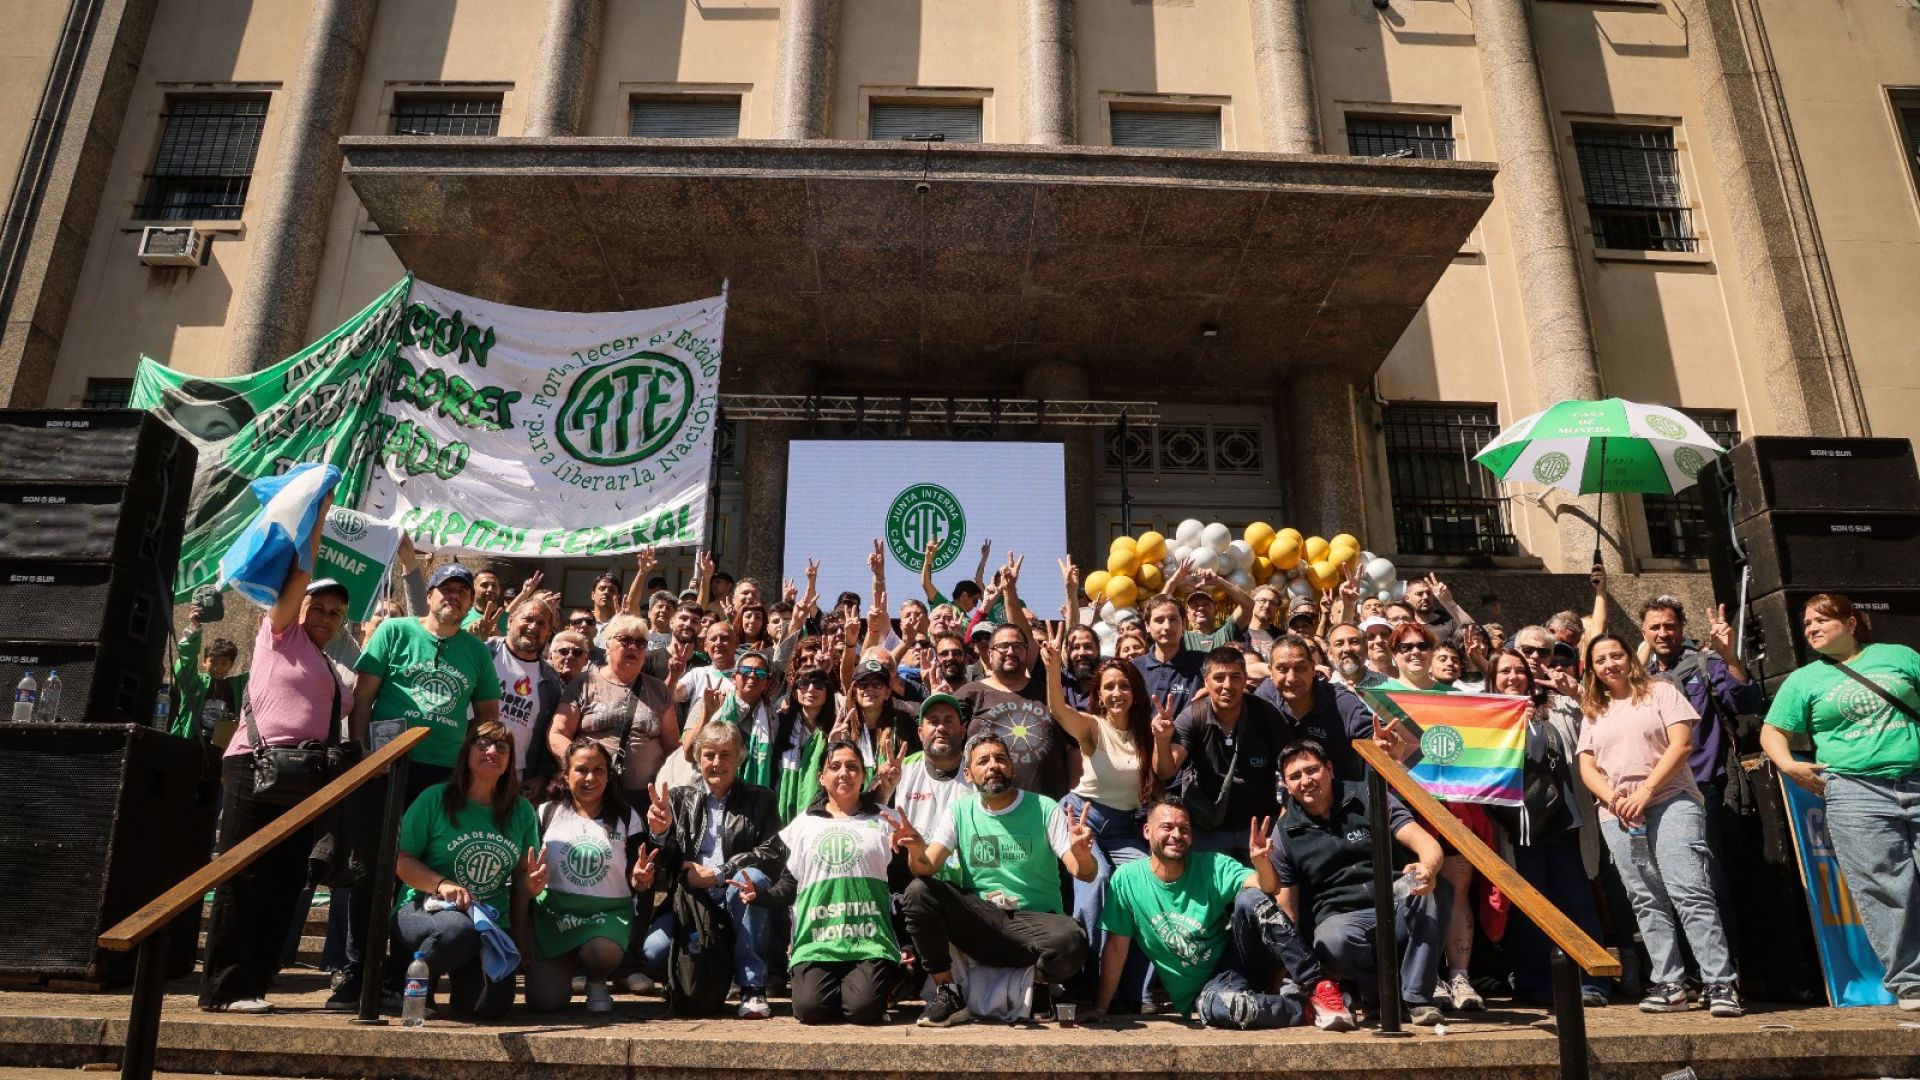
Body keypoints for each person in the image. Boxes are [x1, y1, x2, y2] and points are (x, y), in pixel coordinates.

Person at [198, 511, 350, 1013]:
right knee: (245, 876)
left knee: (285, 879)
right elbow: (300, 573)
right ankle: (225, 989)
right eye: (318, 607)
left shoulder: (329, 667)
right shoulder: (278, 635)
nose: (325, 616)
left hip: (303, 778)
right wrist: (318, 514)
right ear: (297, 607)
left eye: (335, 613)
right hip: (255, 765)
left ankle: (255, 984)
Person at [338, 562, 503, 1011]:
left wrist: (479, 773)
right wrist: (363, 756)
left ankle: (399, 977)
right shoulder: (394, 631)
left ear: (471, 603)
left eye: (462, 592)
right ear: (428, 594)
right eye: (444, 589)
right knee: (372, 871)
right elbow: (364, 698)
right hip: (387, 768)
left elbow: (489, 717)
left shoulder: (476, 651)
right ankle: (357, 973)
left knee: (417, 877)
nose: (453, 597)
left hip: (443, 778)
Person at [1762, 593, 1920, 1008]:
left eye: (1822, 620)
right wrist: (1789, 765)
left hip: (1917, 778)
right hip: (1855, 791)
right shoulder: (1803, 680)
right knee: (1885, 888)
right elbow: (1772, 732)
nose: (1811, 627)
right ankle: (1911, 981)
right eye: (1807, 623)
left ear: (1851, 623)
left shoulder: (1898, 656)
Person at [1576, 634, 1740, 1016]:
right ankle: (1671, 983)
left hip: (1671, 800)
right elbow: (1587, 765)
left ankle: (1720, 981)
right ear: (1594, 669)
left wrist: (1645, 791)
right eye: (1600, 660)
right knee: (1646, 898)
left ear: (1630, 658)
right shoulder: (1594, 709)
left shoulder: (1661, 691)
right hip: (1619, 813)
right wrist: (1616, 799)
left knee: (1689, 890)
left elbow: (1681, 745)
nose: (1609, 664)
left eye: (1616, 655)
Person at [893, 733, 1097, 1026]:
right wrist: (915, 849)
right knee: (918, 891)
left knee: (1071, 940)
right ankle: (947, 991)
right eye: (983, 761)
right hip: (983, 920)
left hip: (1034, 924)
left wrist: (1083, 853)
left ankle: (1039, 987)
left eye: (1001, 759)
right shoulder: (959, 812)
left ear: (1012, 769)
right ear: (968, 773)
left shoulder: (1044, 808)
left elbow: (1084, 872)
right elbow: (926, 868)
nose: (993, 766)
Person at [1083, 799, 1316, 1030]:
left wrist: (1261, 863)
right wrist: (1101, 1008)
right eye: (1167, 827)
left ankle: (1318, 986)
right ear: (1147, 831)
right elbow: (1116, 947)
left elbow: (1270, 887)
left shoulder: (1212, 865)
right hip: (1209, 992)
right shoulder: (1127, 879)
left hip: (1240, 960)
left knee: (1251, 897)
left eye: (1184, 829)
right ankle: (1304, 1009)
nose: (1176, 835)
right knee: (1228, 1008)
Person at [1269, 739, 1448, 1026]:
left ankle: (1417, 998)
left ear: (1329, 769)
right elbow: (1287, 910)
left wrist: (1426, 868)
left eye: (1312, 770)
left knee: (1431, 887)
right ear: (1286, 785)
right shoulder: (1284, 832)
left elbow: (1427, 844)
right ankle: (1376, 997)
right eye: (1295, 776)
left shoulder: (1370, 795)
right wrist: (1293, 974)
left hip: (1393, 894)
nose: (1306, 781)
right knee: (1331, 939)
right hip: (1340, 915)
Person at [390, 720, 545, 1022]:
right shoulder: (435, 799)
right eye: (482, 743)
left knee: (492, 1006)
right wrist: (442, 884)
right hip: (424, 910)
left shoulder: (521, 811)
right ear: (466, 751)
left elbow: (522, 881)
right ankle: (411, 982)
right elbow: (402, 860)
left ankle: (463, 982)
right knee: (456, 930)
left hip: (487, 924)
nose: (492, 751)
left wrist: (532, 884)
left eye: (502, 747)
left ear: (511, 760)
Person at [1487, 650, 1610, 1007]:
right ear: (1492, 680)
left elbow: (1553, 753)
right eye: (1503, 672)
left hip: (1560, 825)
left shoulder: (1549, 715)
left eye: (1518, 671)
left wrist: (1532, 720)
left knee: (1578, 904)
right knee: (1528, 909)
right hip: (1516, 831)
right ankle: (1534, 984)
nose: (1512, 677)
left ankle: (1594, 983)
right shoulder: (1482, 723)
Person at [639, 723, 787, 1019]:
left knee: (753, 878)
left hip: (735, 892)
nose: (716, 763)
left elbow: (772, 852)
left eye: (725, 755)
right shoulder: (679, 799)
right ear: (698, 758)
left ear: (739, 759)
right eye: (709, 755)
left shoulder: (761, 798)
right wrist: (659, 834)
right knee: (653, 950)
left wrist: (720, 872)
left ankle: (752, 987)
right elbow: (666, 861)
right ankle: (692, 979)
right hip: (693, 900)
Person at [1040, 633, 1159, 994]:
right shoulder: (1092, 726)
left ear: (1134, 691)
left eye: (1123, 685)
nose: (1117, 693)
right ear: (1100, 694)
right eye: (1109, 687)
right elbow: (1059, 710)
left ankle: (1134, 989)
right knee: (1097, 882)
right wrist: (1052, 669)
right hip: (1082, 819)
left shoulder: (1146, 733)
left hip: (1124, 827)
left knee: (1144, 885)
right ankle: (1082, 980)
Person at [753, 741, 904, 1024]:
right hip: (817, 941)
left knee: (863, 1012)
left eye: (852, 767)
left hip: (869, 939)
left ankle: (878, 985)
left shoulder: (886, 820)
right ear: (821, 777)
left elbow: (905, 882)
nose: (844, 773)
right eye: (834, 767)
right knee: (812, 1011)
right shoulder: (803, 824)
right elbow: (789, 884)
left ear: (863, 774)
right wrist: (761, 895)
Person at [527, 738, 651, 1013]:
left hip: (605, 916)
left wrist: (639, 880)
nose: (590, 778)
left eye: (599, 770)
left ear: (609, 776)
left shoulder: (627, 816)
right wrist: (530, 886)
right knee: (545, 1002)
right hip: (555, 916)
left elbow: (636, 873)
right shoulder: (547, 812)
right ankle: (564, 973)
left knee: (601, 951)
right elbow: (529, 868)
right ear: (566, 774)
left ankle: (597, 980)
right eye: (581, 769)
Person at [1160, 647, 1295, 855]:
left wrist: (1282, 823)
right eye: (1219, 678)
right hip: (1207, 828)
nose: (1227, 686)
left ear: (1245, 680)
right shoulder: (1193, 717)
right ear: (1206, 681)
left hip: (1259, 829)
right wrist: (1162, 740)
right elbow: (1166, 771)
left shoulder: (1266, 715)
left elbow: (1292, 767)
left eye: (1235, 677)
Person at [548, 613, 680, 812]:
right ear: (608, 644)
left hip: (643, 800)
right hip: (592, 795)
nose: (633, 647)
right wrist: (584, 767)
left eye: (640, 643)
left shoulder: (659, 690)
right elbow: (557, 734)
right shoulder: (584, 683)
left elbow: (671, 747)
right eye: (625, 640)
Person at [958, 622, 1066, 797]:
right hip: (989, 810)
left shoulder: (1050, 693)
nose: (1011, 651)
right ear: (989, 654)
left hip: (1047, 810)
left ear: (1026, 652)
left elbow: (1072, 749)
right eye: (1003, 646)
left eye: (1018, 646)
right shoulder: (968, 694)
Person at [1253, 634, 1374, 782]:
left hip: (1343, 799)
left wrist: (1385, 743)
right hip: (1287, 795)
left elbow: (1380, 738)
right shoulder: (1265, 696)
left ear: (1312, 667)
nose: (1291, 678)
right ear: (1271, 671)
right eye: (1282, 669)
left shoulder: (1341, 703)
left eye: (1300, 668)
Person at [891, 693, 975, 876]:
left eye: (949, 720)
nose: (941, 728)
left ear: (962, 731)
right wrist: (883, 787)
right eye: (934, 721)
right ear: (920, 733)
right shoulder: (901, 769)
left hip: (967, 885)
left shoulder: (977, 771)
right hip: (912, 880)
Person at [489, 592, 564, 792]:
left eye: (542, 624)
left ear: (548, 633)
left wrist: (542, 776)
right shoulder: (485, 652)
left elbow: (548, 736)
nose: (533, 627)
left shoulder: (551, 680)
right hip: (466, 770)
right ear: (511, 621)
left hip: (513, 782)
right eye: (528, 619)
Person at [172, 610, 248, 746]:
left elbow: (262, 669)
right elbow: (185, 662)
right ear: (204, 661)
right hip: (189, 743)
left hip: (221, 751)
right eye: (213, 662)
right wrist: (194, 628)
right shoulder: (196, 683)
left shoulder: (238, 686)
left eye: (224, 663)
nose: (217, 668)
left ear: (232, 665)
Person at [1133, 596, 1207, 706]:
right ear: (1147, 626)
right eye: (1159, 620)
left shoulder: (1204, 663)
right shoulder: (1134, 668)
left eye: (1173, 619)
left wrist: (1215, 690)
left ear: (1183, 624)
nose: (1167, 627)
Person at [1325, 622, 1386, 693]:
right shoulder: (1323, 692)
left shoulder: (1387, 684)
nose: (1347, 649)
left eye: (1354, 642)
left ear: (1366, 649)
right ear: (1329, 654)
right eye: (1339, 644)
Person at [588, 572, 624, 647]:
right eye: (602, 589)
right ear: (592, 595)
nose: (606, 592)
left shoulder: (623, 624)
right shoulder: (582, 622)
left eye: (611, 590)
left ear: (618, 598)